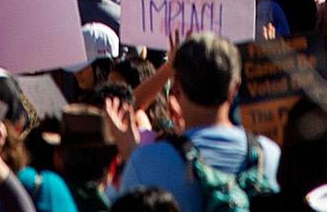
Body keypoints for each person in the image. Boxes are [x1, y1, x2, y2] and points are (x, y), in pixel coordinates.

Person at [115, 32, 281, 212]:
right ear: (234, 89)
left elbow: (129, 107)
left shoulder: (145, 161)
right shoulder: (271, 156)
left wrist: (169, 67)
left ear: (176, 88)